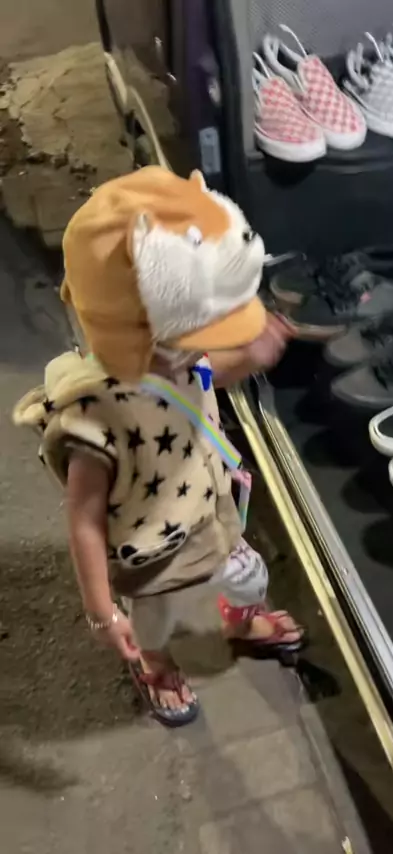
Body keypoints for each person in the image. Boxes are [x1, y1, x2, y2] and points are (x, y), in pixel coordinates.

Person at [14, 167, 305, 726]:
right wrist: (102, 612)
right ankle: (155, 663)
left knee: (250, 578)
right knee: (153, 621)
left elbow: (204, 378)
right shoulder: (94, 419)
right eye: (207, 331)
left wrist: (250, 357)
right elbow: (84, 522)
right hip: (150, 553)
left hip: (212, 516)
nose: (209, 347)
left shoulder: (177, 355)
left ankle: (242, 620)